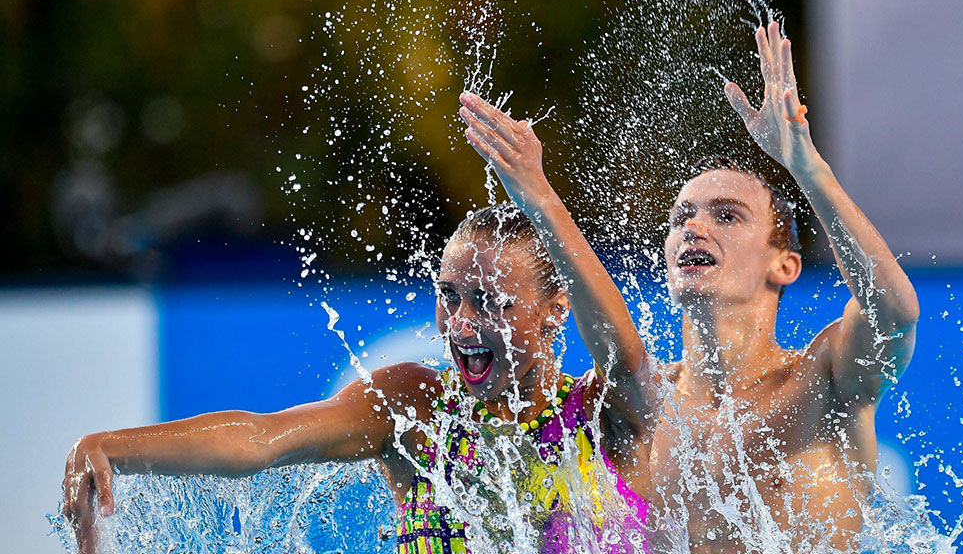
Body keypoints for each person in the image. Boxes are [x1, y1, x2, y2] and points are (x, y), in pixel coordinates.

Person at [459, 21, 919, 553]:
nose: (695, 228)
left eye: (727, 215)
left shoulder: (824, 381)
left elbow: (894, 314)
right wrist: (539, 199)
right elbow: (616, 358)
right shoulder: (642, 403)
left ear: (785, 266)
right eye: (682, 217)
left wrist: (807, 169)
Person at [62, 203, 654, 554]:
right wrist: (113, 447)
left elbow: (630, 358)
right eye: (449, 296)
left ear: (558, 307)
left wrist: (540, 193)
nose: (463, 324)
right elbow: (263, 438)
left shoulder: (610, 416)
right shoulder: (415, 409)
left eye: (491, 301)